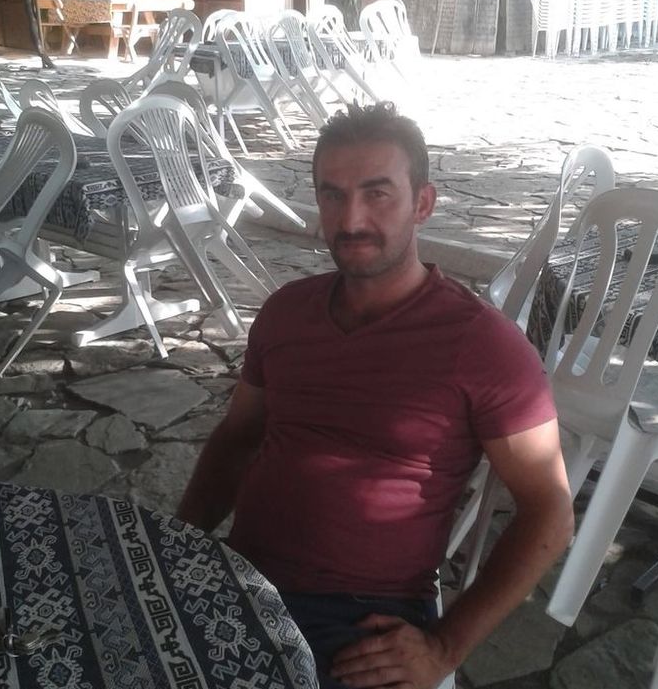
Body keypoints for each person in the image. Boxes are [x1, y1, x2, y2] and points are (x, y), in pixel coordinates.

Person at [177, 102, 573, 689]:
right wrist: (178, 544)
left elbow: (550, 511)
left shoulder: (483, 346)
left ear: (423, 204)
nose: (351, 218)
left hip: (361, 620)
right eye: (332, 194)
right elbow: (238, 438)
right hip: (240, 581)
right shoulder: (286, 313)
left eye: (377, 193)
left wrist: (443, 647)